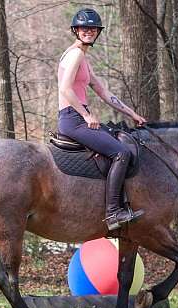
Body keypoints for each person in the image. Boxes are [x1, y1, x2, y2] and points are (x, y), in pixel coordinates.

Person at [58, 8, 147, 231]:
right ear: (75, 30)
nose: (88, 31)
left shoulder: (82, 57)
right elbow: (65, 89)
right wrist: (87, 115)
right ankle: (113, 213)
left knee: (118, 140)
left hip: (75, 117)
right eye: (84, 28)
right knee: (122, 152)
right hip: (73, 119)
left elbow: (104, 92)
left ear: (98, 32)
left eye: (93, 28)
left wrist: (132, 114)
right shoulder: (76, 54)